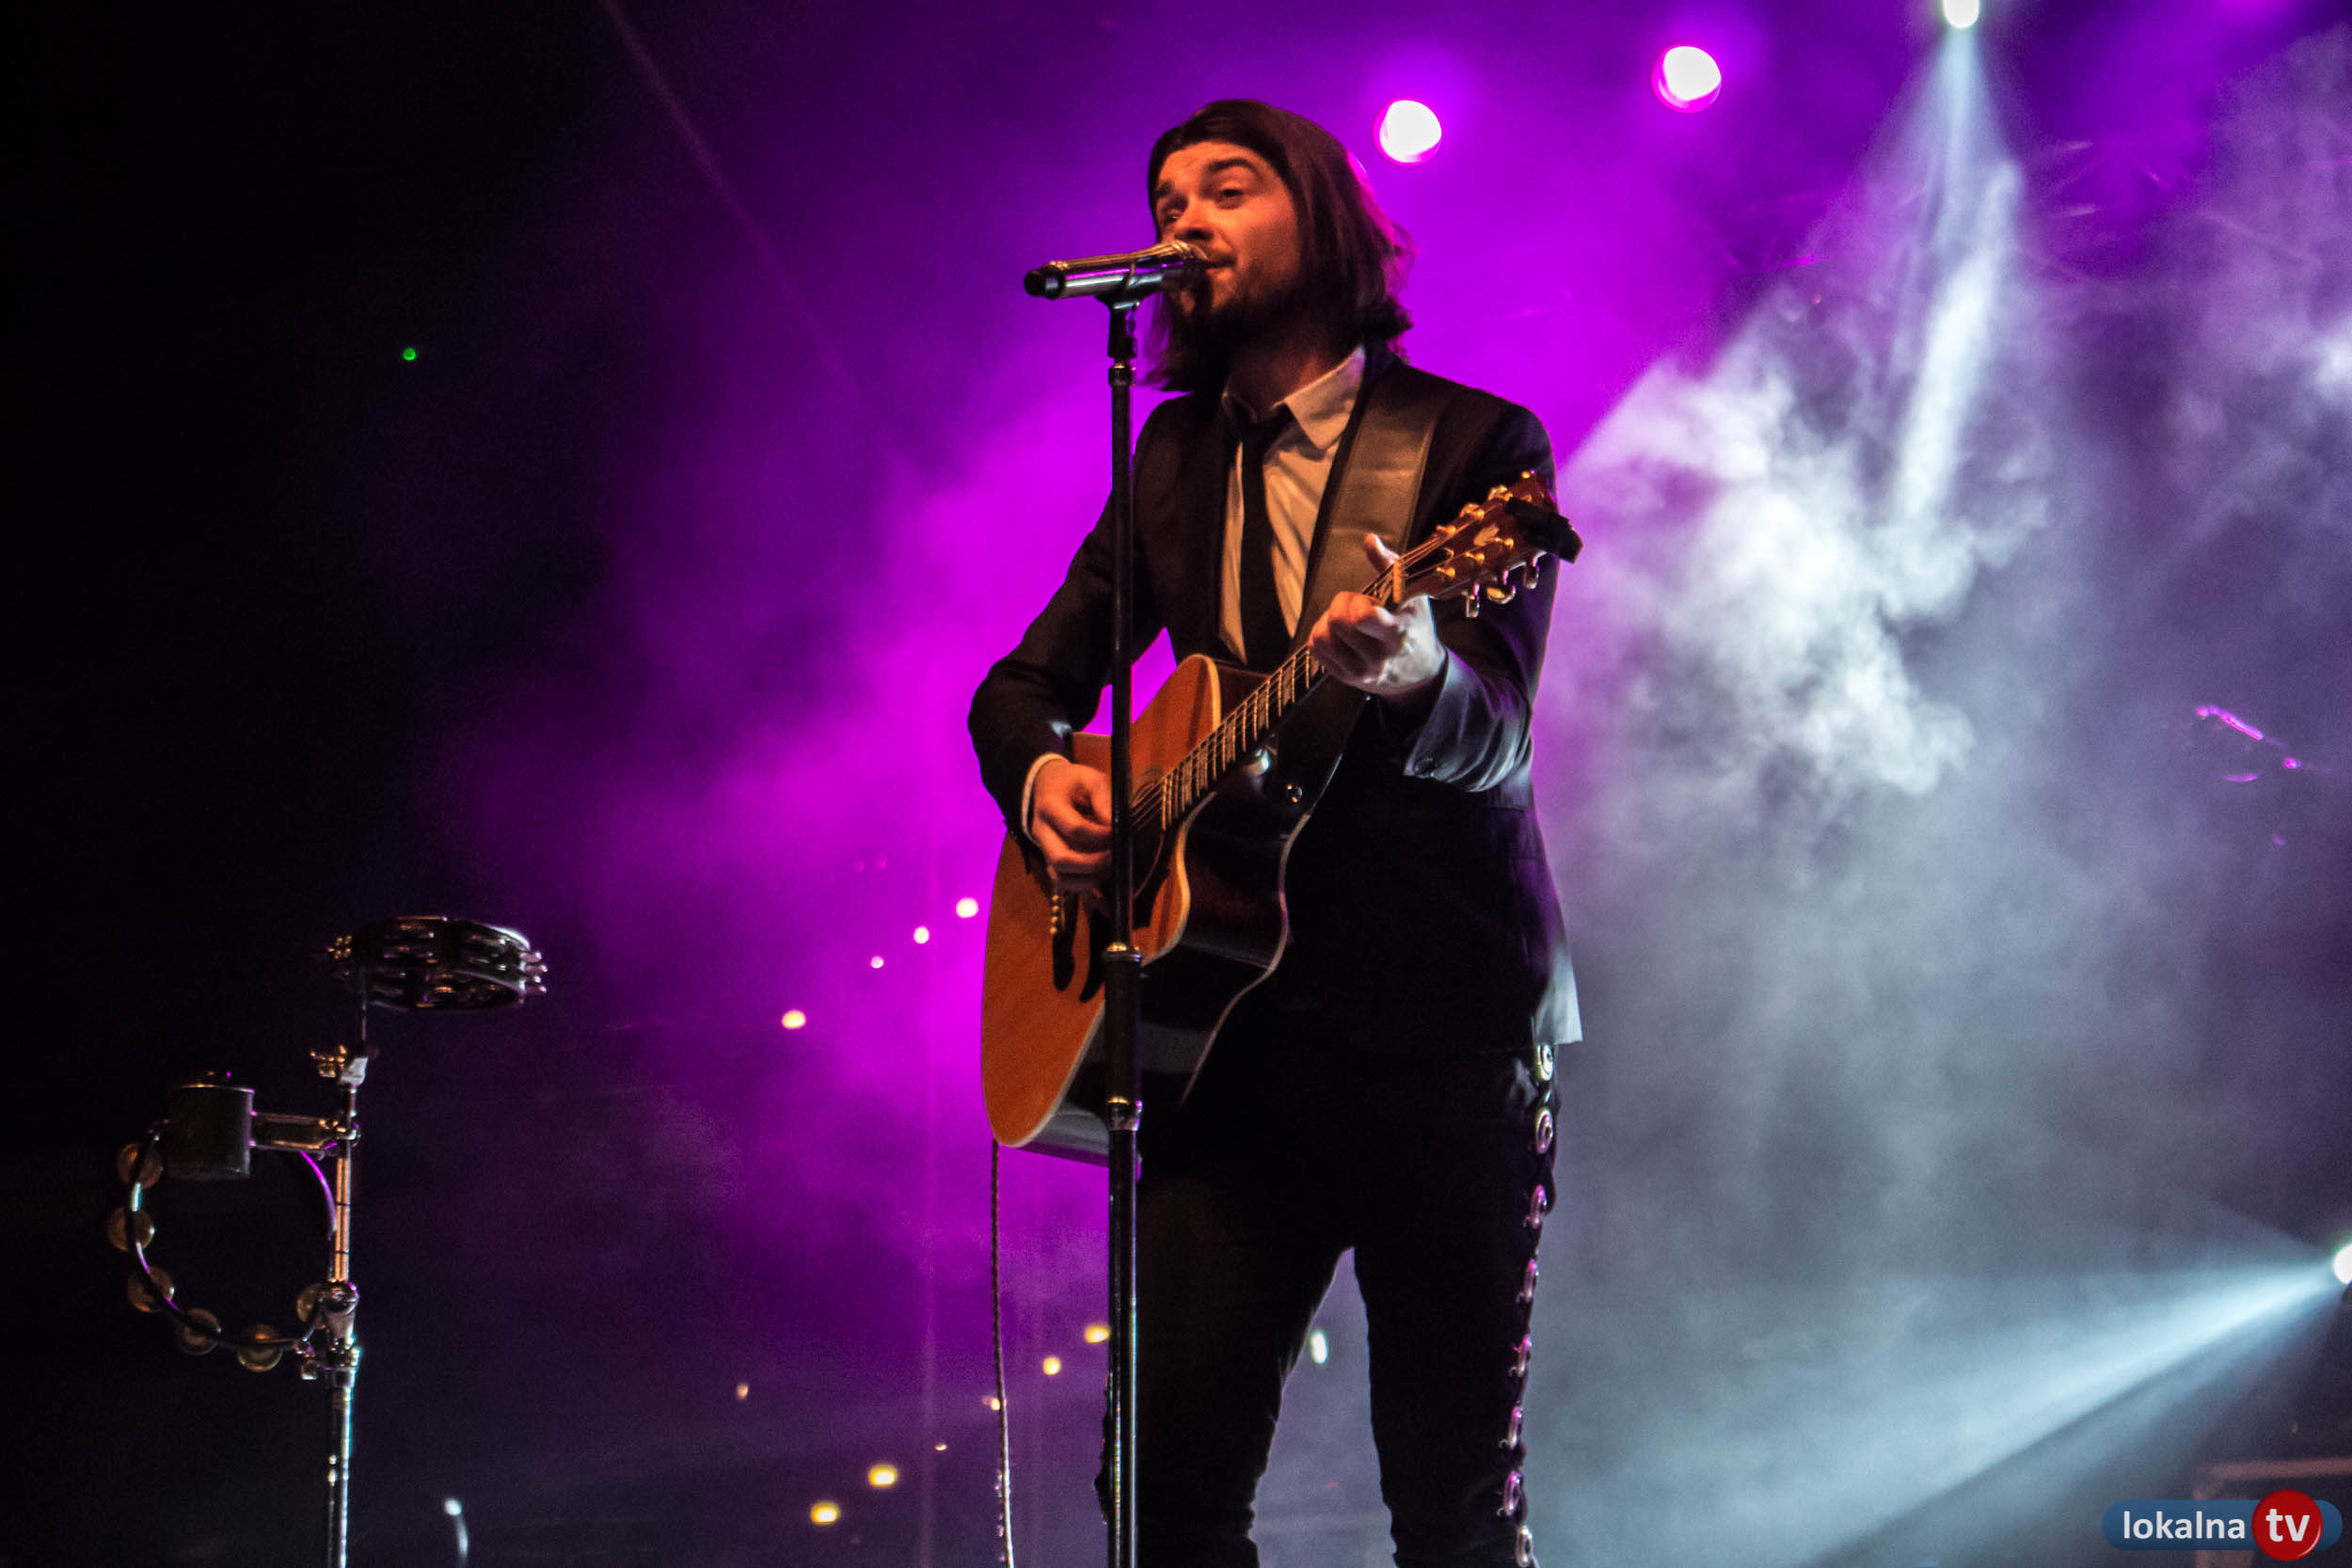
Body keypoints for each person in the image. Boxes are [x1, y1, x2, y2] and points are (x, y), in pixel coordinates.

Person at [968, 99, 1579, 1568]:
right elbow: (1022, 690)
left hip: (1440, 1034)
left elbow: (1498, 737)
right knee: (1161, 1502)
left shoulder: (1474, 445)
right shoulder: (1173, 457)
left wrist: (1413, 670)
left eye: (1226, 189)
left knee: (1449, 1506)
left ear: (1325, 214)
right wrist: (1043, 780)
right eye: (1167, 199)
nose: (1184, 220)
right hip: (1222, 1054)